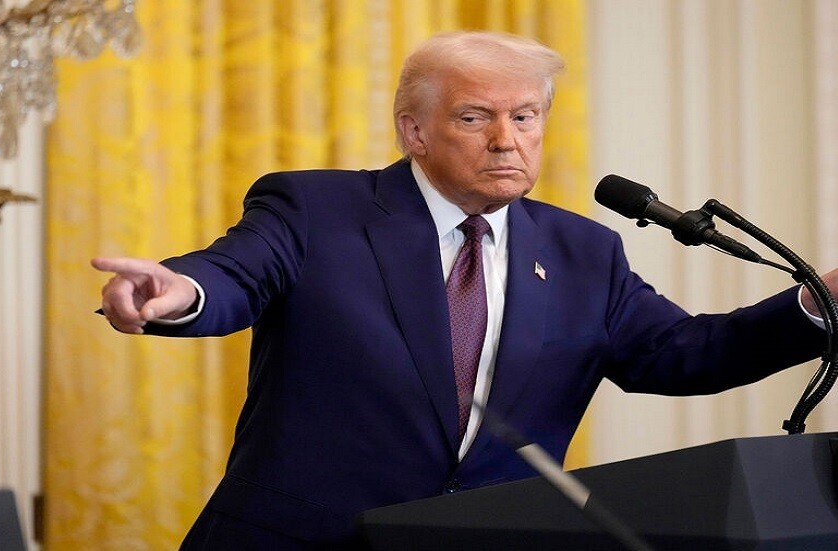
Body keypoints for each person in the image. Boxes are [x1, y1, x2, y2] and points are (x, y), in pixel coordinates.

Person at [93, 31, 838, 549]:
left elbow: (685, 354)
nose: (506, 139)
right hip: (304, 540)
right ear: (415, 132)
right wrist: (179, 290)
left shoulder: (584, 251)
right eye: (475, 117)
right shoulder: (316, 209)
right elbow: (234, 274)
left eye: (525, 117)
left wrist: (819, 302)